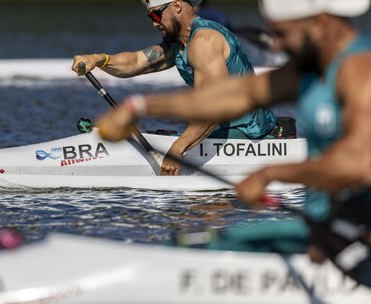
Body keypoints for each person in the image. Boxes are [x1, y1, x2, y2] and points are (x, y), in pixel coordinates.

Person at [96, 0, 371, 286]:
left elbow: (358, 164)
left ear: (320, 25)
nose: (275, 45)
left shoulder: (361, 71)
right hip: (325, 226)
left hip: (359, 232)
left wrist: (269, 173)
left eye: (282, 34)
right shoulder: (313, 67)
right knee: (195, 243)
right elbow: (232, 97)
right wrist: (140, 107)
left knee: (200, 251)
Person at [72, 0, 277, 176]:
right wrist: (100, 59)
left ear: (177, 6)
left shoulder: (204, 42)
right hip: (219, 131)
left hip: (248, 134)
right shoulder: (180, 44)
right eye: (150, 16)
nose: (154, 22)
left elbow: (213, 109)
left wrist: (177, 149)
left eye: (156, 14)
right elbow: (135, 62)